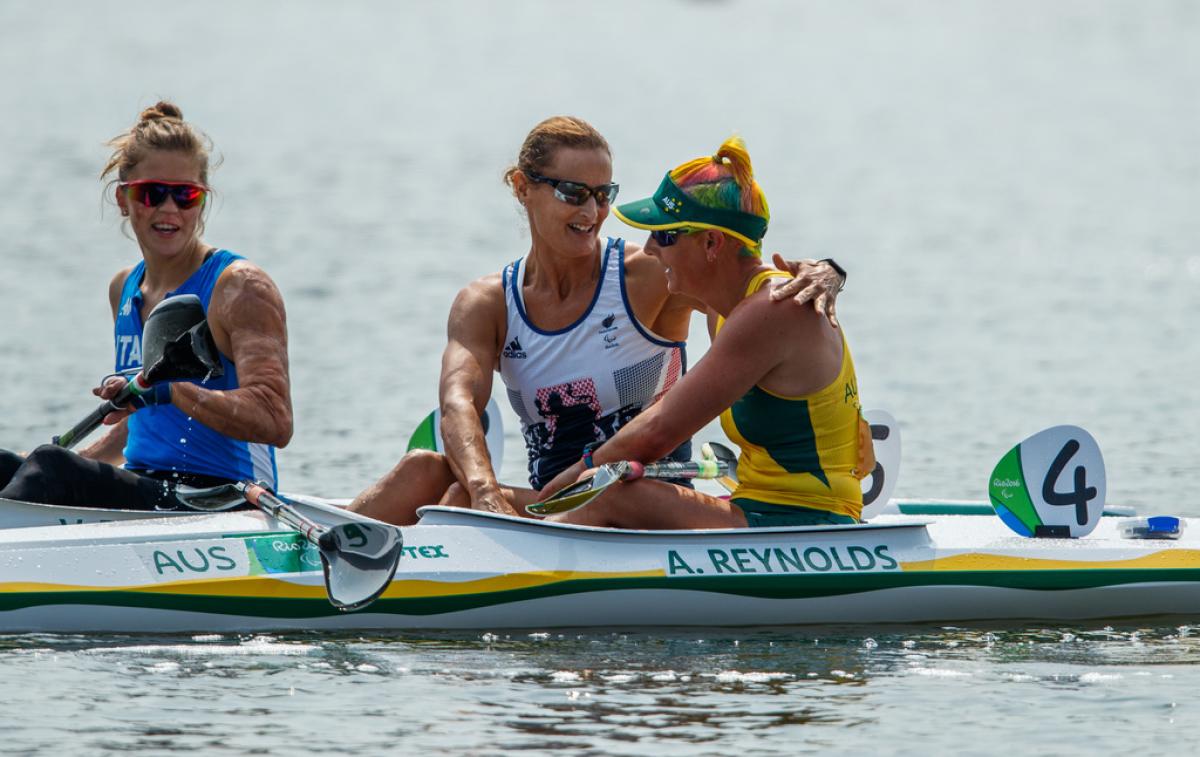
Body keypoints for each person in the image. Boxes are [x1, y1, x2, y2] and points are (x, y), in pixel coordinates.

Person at [351, 117, 846, 525]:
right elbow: (457, 402)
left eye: (603, 194)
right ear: (523, 188)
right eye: (573, 192)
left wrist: (829, 270)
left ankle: (486, 553)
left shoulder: (654, 275)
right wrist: (485, 493)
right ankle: (308, 560)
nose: (593, 211)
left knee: (498, 500)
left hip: (638, 497)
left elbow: (742, 273)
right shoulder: (486, 302)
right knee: (428, 473)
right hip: (562, 502)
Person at [540, 136, 873, 529]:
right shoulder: (727, 301)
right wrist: (833, 270)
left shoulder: (772, 310)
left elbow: (658, 433)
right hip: (757, 505)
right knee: (600, 487)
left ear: (712, 243)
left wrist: (555, 493)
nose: (649, 248)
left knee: (606, 489)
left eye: (664, 236)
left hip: (806, 520)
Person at [0, 102, 292, 509]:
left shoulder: (239, 288)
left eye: (185, 195)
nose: (168, 208)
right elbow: (146, 423)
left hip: (220, 497)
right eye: (152, 193)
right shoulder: (124, 288)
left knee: (50, 467)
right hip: (150, 487)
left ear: (202, 203)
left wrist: (171, 391)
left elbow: (275, 421)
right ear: (124, 199)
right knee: (12, 465)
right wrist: (65, 466)